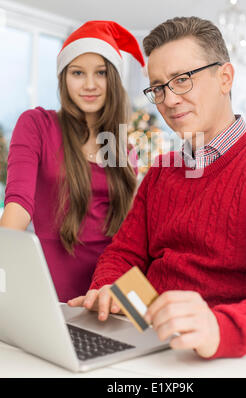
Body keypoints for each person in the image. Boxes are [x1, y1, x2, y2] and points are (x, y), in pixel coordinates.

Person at [68, 17, 246, 359]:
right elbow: (124, 255)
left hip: (217, 358)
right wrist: (111, 292)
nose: (169, 100)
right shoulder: (162, 172)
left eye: (182, 80)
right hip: (149, 344)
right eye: (159, 87)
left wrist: (220, 328)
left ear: (225, 78)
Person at [0, 20, 145, 302]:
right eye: (78, 72)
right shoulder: (38, 125)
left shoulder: (123, 149)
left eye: (101, 73)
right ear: (64, 78)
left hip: (107, 293)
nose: (89, 85)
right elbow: (18, 205)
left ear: (113, 80)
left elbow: (130, 236)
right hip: (50, 294)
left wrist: (137, 303)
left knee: (157, 341)